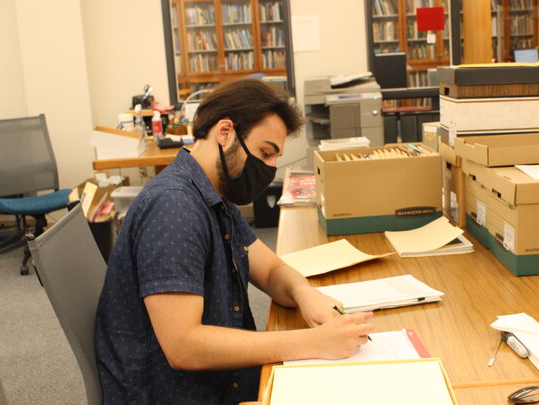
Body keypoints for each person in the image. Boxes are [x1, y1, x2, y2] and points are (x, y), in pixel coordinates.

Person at [95, 79, 374, 405]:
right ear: (225, 132)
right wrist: (314, 341)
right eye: (265, 152)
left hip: (218, 379)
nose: (269, 168)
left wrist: (305, 294)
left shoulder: (213, 193)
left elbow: (269, 271)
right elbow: (184, 346)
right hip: (175, 392)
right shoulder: (174, 207)